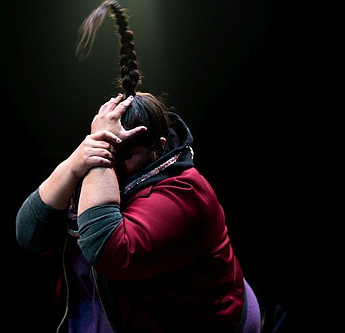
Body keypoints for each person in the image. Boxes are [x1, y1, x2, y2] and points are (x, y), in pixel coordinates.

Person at [15, 1, 261, 332]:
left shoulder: (186, 194)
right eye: (104, 145)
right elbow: (30, 234)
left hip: (210, 321)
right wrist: (78, 160)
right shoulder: (94, 161)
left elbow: (106, 250)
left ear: (158, 148)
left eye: (124, 151)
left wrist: (100, 149)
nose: (112, 163)